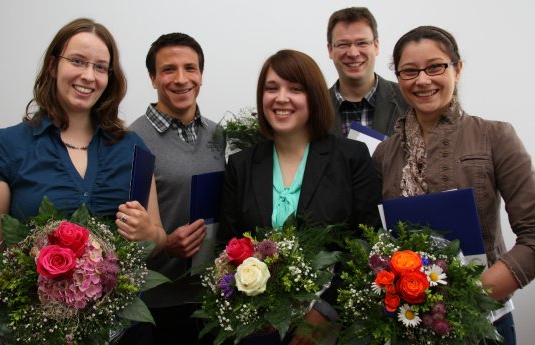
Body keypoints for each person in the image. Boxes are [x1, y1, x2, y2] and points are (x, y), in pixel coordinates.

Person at [372, 25, 535, 345]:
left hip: (483, 321)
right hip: (407, 325)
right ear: (399, 78)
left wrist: (469, 297)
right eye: (409, 71)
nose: (422, 80)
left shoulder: (495, 136)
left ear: (457, 69)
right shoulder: (384, 153)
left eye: (435, 66)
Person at [219, 49, 381, 345]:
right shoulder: (241, 165)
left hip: (334, 328)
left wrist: (323, 312)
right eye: (272, 88)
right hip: (260, 329)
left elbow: (367, 243)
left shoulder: (350, 157)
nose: (282, 98)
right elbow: (227, 246)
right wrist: (256, 307)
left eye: (295, 89)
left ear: (314, 97)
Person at [0, 18, 166, 278]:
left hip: (124, 318)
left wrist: (150, 234)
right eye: (77, 61)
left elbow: (158, 238)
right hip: (39, 316)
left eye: (101, 67)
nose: (89, 76)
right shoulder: (5, 148)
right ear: (52, 65)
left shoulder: (133, 147)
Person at [118, 33, 225, 345]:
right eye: (168, 70)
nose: (181, 79)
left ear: (201, 75)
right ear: (152, 78)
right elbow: (124, 227)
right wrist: (164, 243)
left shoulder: (219, 134)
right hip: (158, 304)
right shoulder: (131, 140)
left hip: (215, 297)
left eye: (190, 68)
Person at [326, 7, 409, 137]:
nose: (353, 53)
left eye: (362, 43)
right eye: (343, 44)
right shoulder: (314, 108)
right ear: (330, 50)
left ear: (376, 46)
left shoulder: (408, 100)